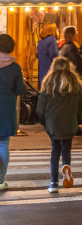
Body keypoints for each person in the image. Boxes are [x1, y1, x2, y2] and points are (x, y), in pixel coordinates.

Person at [36, 57, 82, 193]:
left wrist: (44, 122)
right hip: (70, 122)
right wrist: (79, 120)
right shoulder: (75, 83)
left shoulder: (48, 83)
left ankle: (53, 184)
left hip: (53, 123)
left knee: (55, 151)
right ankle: (66, 166)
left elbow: (40, 109)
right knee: (66, 149)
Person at [0, 34, 25, 191]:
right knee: (3, 145)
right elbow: (20, 89)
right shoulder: (15, 68)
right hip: (7, 110)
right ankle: (0, 179)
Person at [37, 23, 60, 89]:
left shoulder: (40, 42)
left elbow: (38, 55)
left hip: (42, 73)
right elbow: (55, 54)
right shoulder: (52, 39)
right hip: (51, 71)